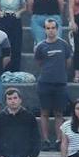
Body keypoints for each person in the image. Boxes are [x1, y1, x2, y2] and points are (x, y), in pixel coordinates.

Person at [33, 18, 73, 149]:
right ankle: (45, 140)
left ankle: (59, 140)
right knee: (44, 113)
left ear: (57, 29)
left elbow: (68, 62)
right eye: (48, 28)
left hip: (60, 84)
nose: (50, 30)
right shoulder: (40, 46)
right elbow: (39, 63)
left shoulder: (64, 45)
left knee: (59, 113)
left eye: (53, 28)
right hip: (44, 83)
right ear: (45, 30)